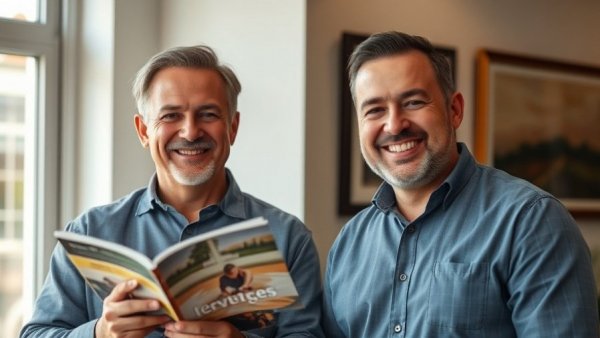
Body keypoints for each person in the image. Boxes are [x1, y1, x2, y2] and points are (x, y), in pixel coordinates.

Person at [21, 45, 324, 338]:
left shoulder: (288, 238)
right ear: (143, 131)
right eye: (170, 116)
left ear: (232, 127)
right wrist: (100, 333)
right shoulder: (90, 232)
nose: (190, 132)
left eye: (208, 114)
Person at [321, 31, 600, 337]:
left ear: (454, 110)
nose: (394, 124)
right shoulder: (350, 242)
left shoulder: (532, 222)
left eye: (413, 102)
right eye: (374, 110)